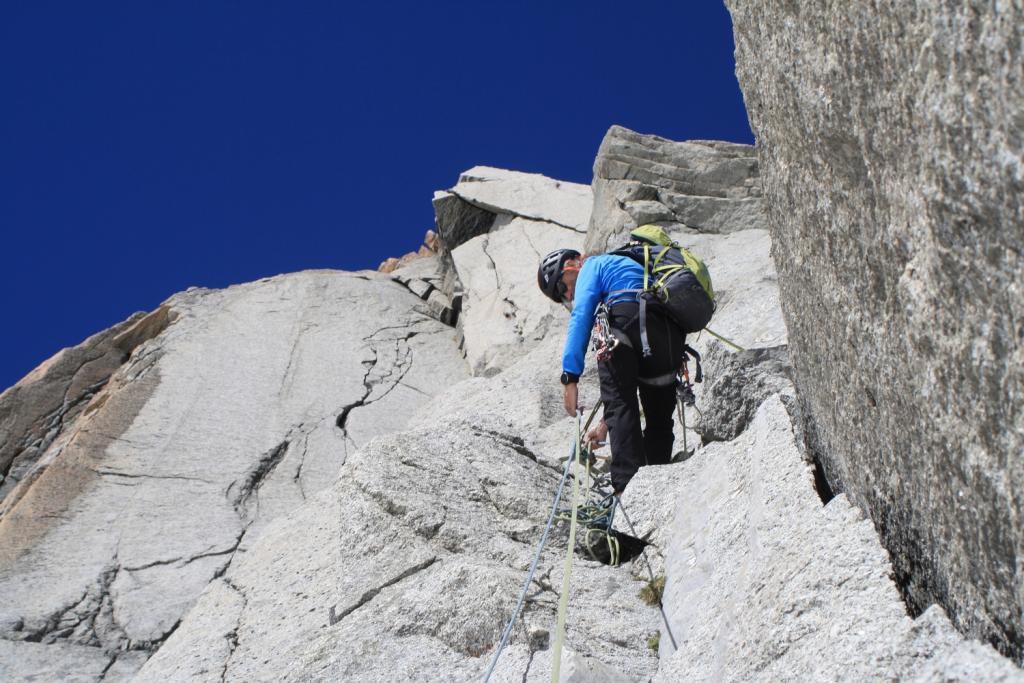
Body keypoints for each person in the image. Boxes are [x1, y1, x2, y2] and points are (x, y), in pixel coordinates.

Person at [537, 247, 688, 495]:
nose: (568, 295)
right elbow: (626, 385)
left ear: (570, 265)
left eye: (562, 288)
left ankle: (626, 494)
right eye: (562, 296)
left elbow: (582, 315)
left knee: (620, 403)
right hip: (667, 334)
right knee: (659, 417)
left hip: (626, 319)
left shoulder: (592, 266)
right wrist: (604, 426)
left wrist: (570, 378)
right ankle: (658, 486)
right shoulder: (629, 266)